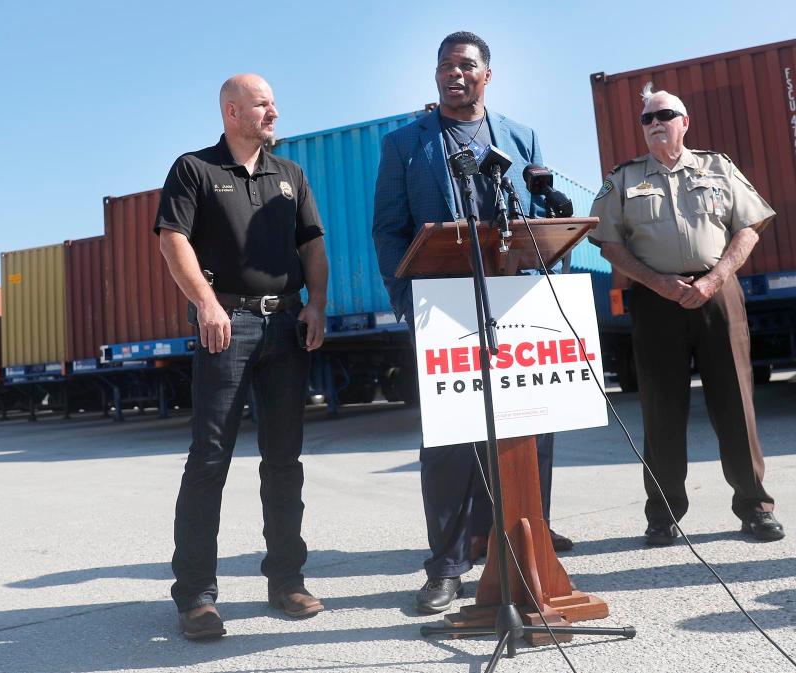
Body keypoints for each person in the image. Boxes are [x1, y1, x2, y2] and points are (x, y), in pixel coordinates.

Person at [372, 31, 572, 615]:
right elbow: (388, 229)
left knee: (528, 426)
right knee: (451, 442)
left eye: (465, 65)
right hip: (442, 306)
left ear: (488, 73)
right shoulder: (405, 144)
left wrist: (551, 213)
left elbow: (530, 217)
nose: (453, 74)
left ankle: (527, 539)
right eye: (444, 66)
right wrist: (407, 301)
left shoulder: (521, 136)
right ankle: (448, 563)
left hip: (516, 302)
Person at [155, 73, 330, 640]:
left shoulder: (290, 175)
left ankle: (286, 581)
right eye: (262, 104)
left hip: (286, 324)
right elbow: (171, 238)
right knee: (209, 459)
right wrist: (206, 304)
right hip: (226, 328)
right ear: (232, 111)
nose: (273, 113)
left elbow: (313, 245)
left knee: (285, 460)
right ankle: (196, 598)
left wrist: (317, 306)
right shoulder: (194, 169)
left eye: (274, 103)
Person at [589, 84, 784, 546]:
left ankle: (755, 507)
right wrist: (657, 282)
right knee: (661, 410)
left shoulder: (719, 167)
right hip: (656, 301)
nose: (656, 123)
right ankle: (663, 515)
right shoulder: (622, 179)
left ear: (685, 122)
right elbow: (608, 242)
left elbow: (749, 228)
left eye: (665, 115)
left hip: (718, 293)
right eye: (647, 119)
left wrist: (715, 279)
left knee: (735, 402)